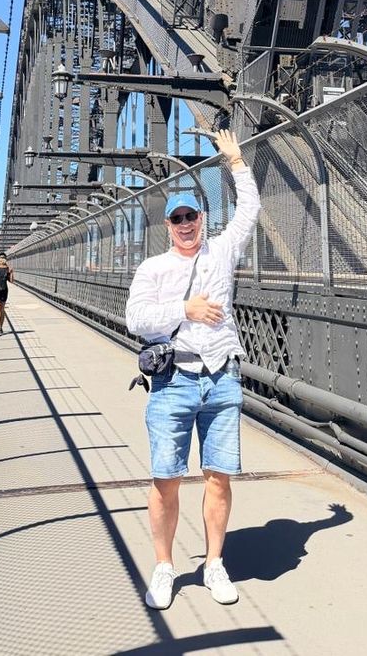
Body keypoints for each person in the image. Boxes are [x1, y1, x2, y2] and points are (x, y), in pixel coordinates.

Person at [126, 128, 260, 611]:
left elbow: (249, 213)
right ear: (168, 225)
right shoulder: (152, 269)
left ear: (202, 219)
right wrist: (185, 309)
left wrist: (236, 162)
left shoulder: (222, 252)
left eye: (191, 216)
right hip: (173, 381)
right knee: (166, 480)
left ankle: (214, 563)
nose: (185, 224)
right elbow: (136, 320)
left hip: (223, 375)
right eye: (177, 218)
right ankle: (164, 568)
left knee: (219, 476)